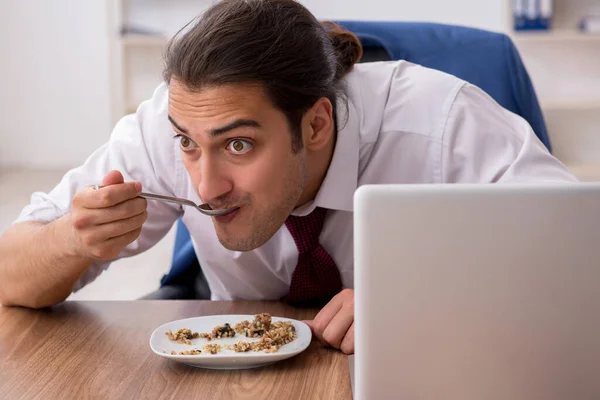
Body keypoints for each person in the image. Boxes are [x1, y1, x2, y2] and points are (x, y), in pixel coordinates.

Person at [0, 0, 576, 355]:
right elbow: (8, 274)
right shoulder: (171, 123)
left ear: (317, 124)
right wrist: (70, 240)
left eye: (239, 144)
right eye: (188, 146)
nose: (205, 186)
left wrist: (427, 296)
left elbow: (580, 253)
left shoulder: (442, 122)